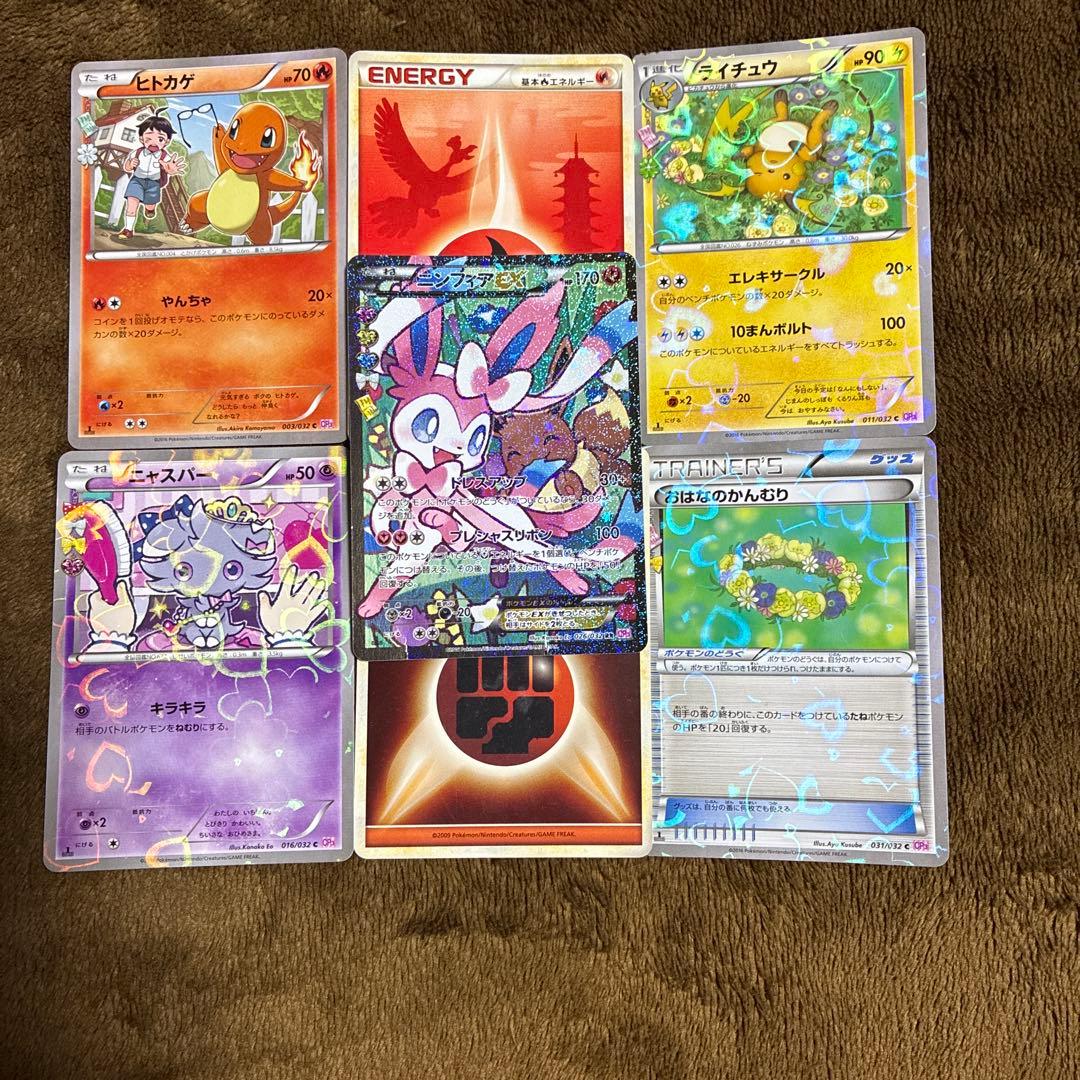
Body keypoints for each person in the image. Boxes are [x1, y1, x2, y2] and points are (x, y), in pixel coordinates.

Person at [118, 111, 185, 238]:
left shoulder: (165, 156)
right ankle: (128, 230)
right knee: (131, 204)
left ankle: (150, 208)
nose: (153, 143)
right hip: (137, 181)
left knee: (150, 203)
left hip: (154, 183)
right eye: (149, 139)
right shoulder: (137, 153)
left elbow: (170, 168)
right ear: (141, 139)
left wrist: (170, 169)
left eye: (160, 139)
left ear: (167, 141)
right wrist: (130, 164)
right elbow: (126, 167)